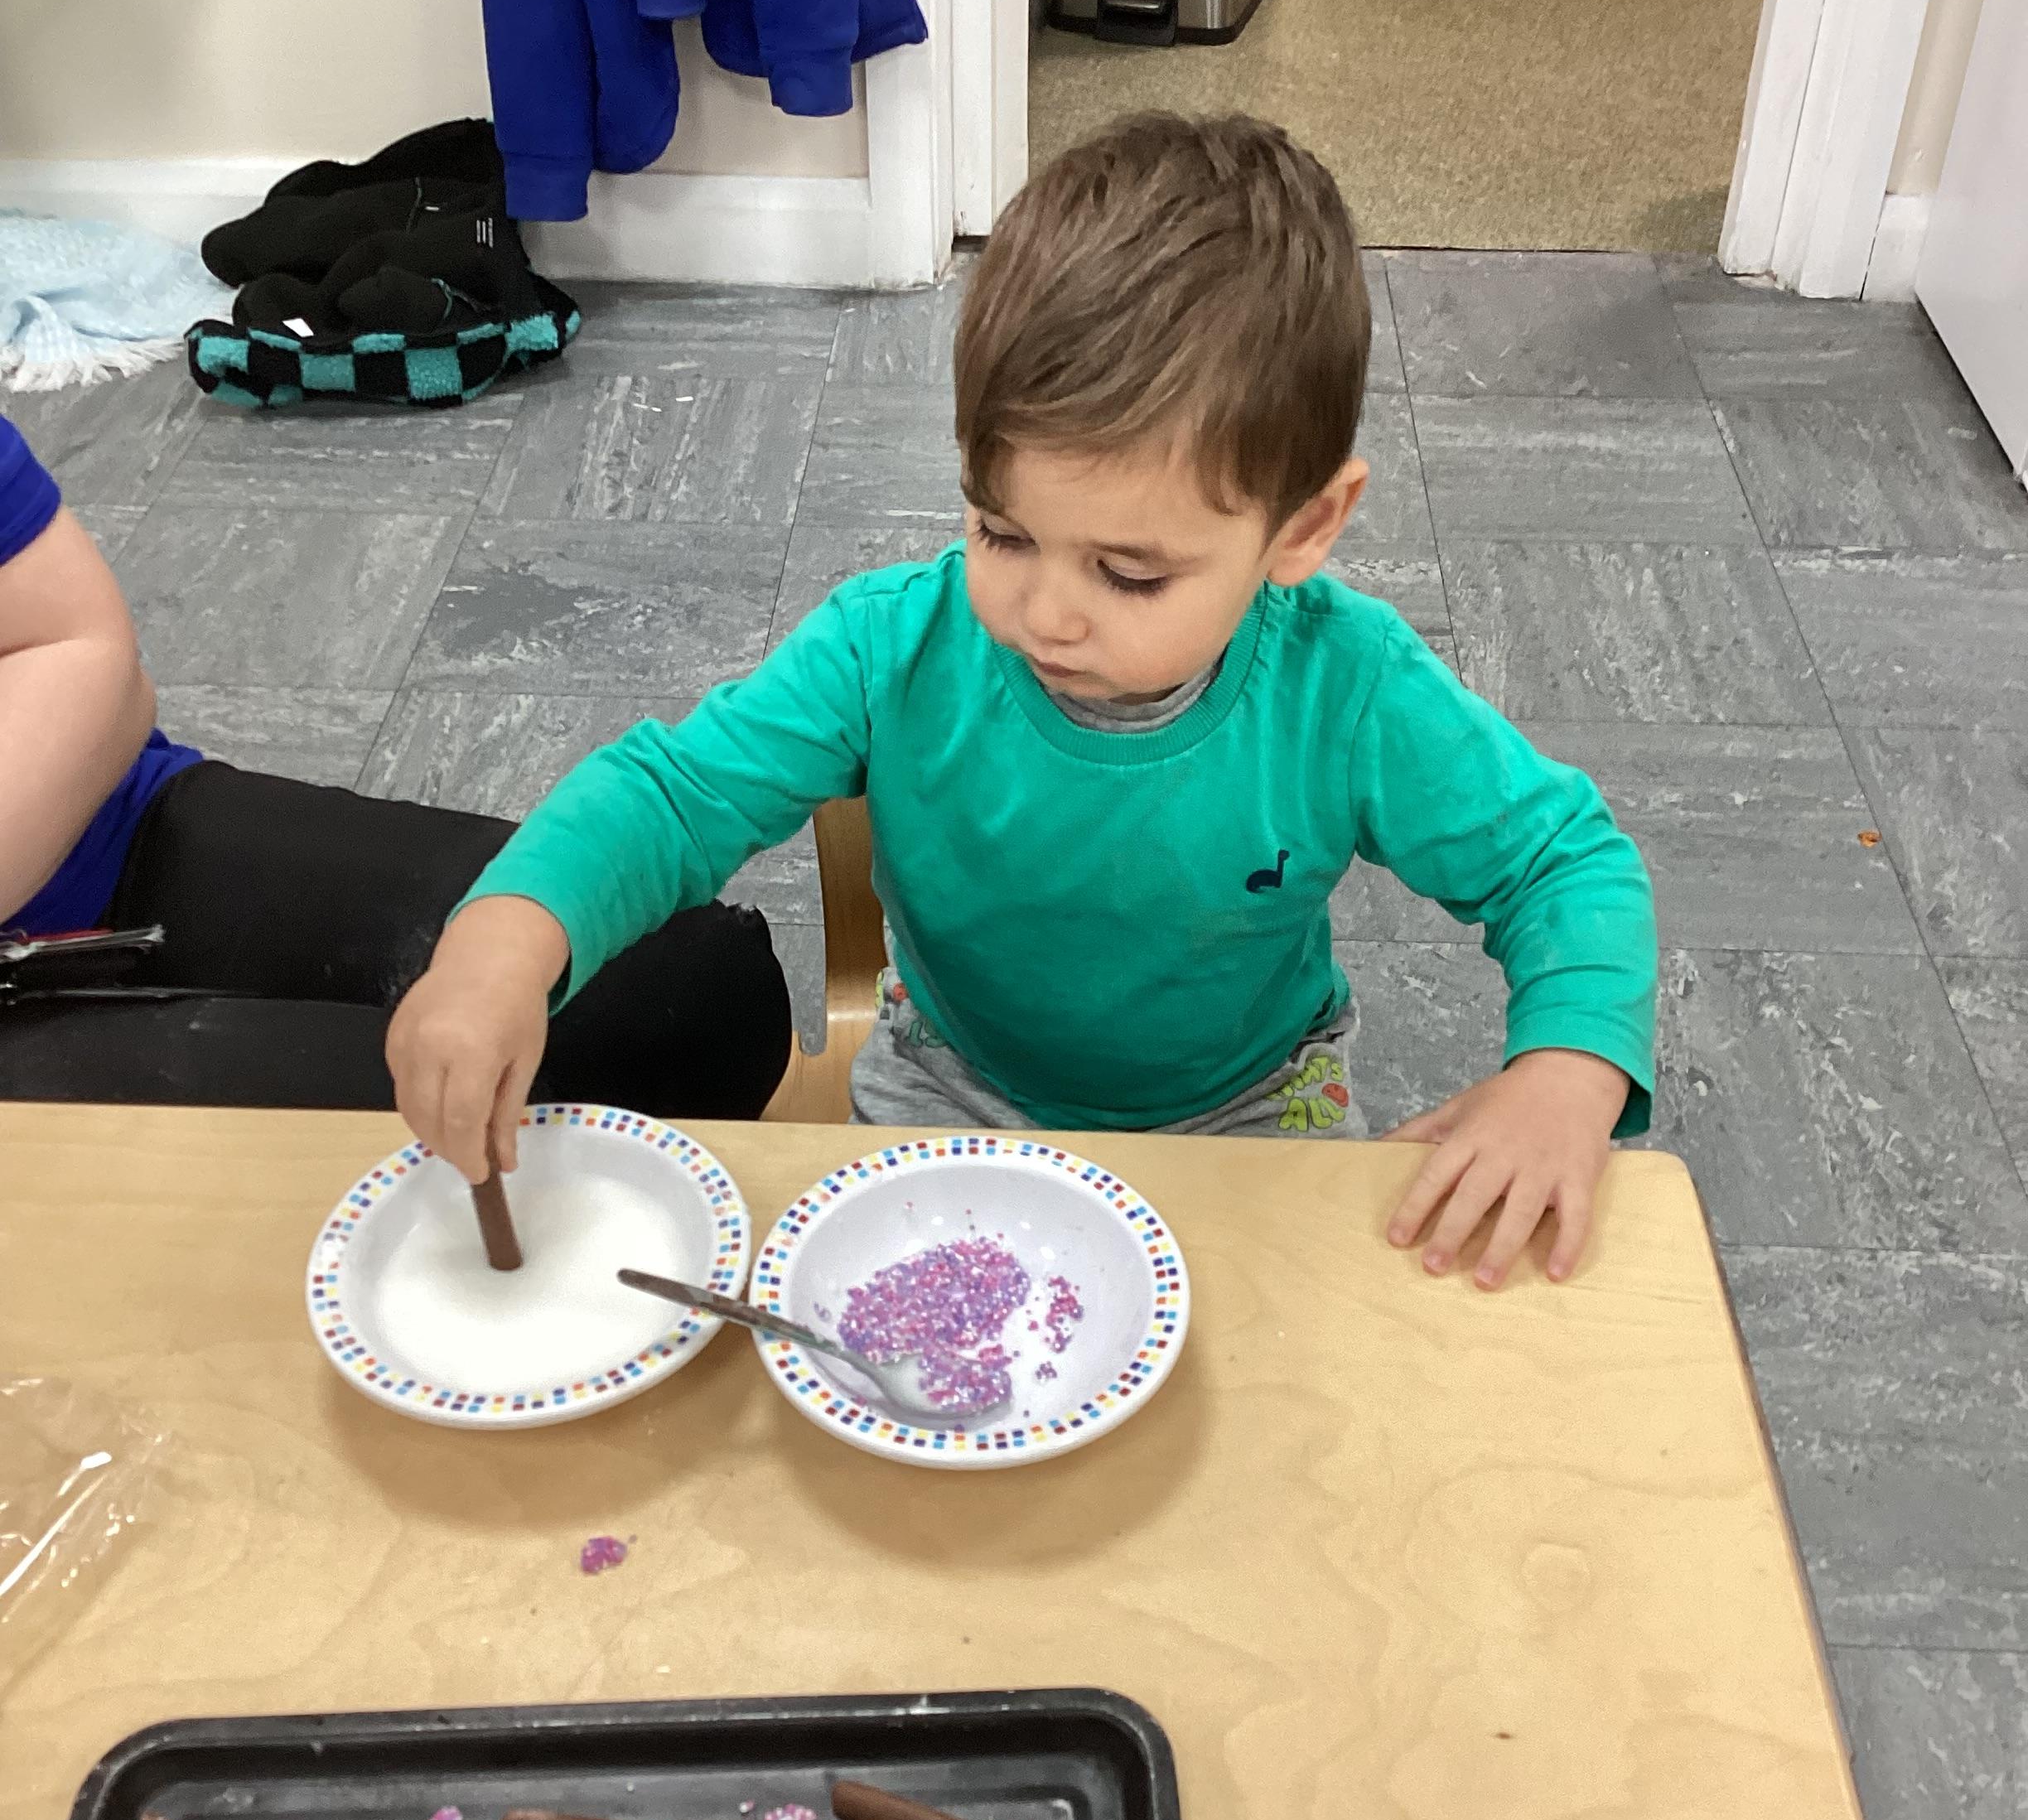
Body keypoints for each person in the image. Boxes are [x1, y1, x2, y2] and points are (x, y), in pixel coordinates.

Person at [390, 114, 1658, 1288]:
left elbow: (1561, 860)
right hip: (953, 1087)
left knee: (1295, 1392)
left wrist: (1567, 1071)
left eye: (1130, 573)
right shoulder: (888, 647)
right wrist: (505, 939)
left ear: (1304, 527)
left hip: (1248, 1112)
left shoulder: (1350, 687)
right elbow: (674, 798)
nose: (1045, 614)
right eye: (1002, 532)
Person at [0, 409, 791, 1116]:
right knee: (409, 1137)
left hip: (102, 841)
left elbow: (73, 642)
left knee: (693, 997)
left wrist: (506, 945)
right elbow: (678, 791)